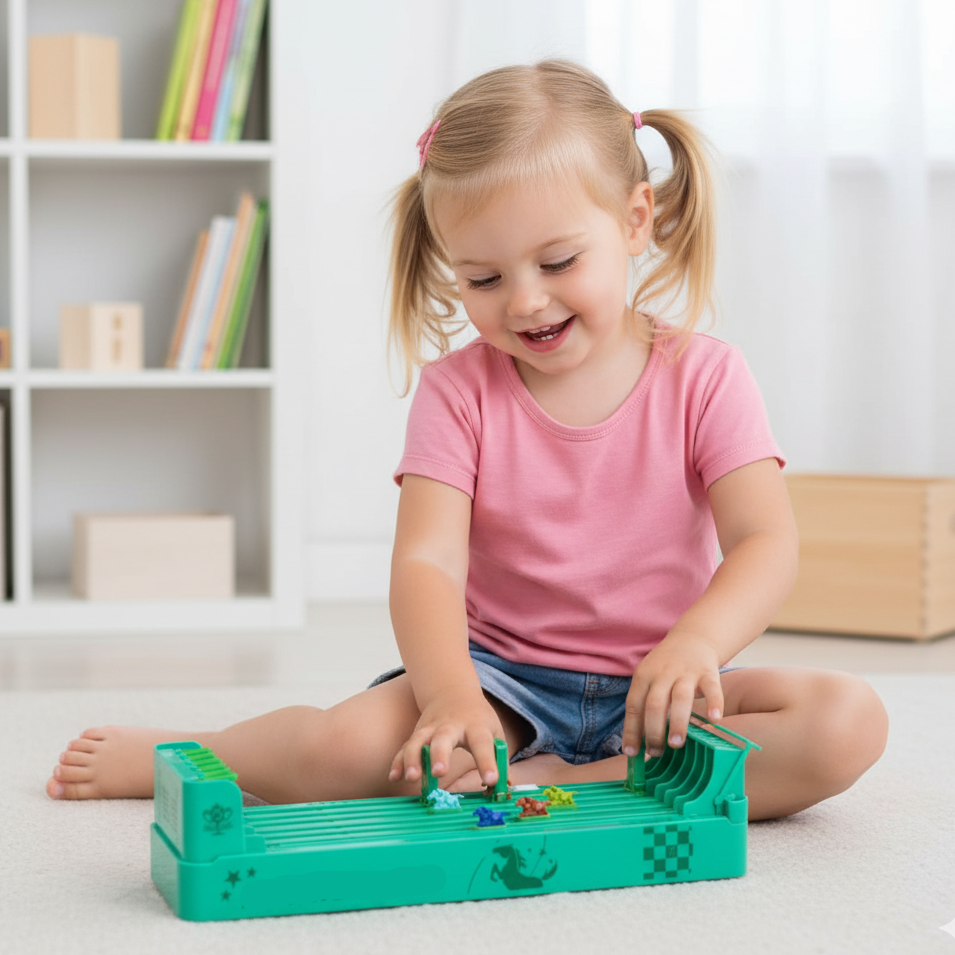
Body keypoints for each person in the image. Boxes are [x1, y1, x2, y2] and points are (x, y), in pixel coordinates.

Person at [47, 60, 887, 819]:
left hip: (662, 688)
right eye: (483, 277)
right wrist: (451, 695)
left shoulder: (706, 375)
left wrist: (695, 645)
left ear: (635, 220)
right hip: (501, 682)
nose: (523, 301)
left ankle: (569, 784)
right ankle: (192, 752)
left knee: (845, 722)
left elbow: (764, 540)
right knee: (341, 749)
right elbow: (427, 562)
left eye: (557, 262)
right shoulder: (457, 392)